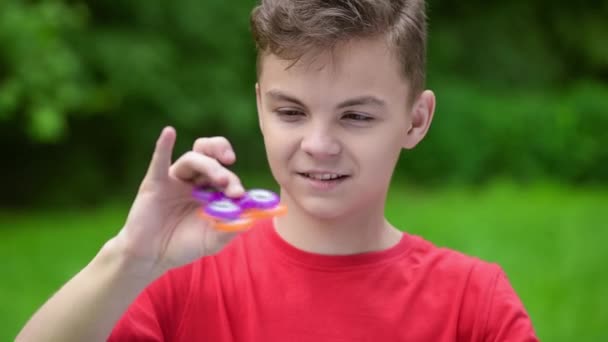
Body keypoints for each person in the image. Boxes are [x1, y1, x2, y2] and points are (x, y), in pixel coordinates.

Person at [16, 0, 539, 341]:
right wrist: (131, 255)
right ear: (261, 106)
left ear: (416, 119)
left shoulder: (474, 305)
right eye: (291, 112)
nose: (318, 145)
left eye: (356, 116)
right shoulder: (179, 277)